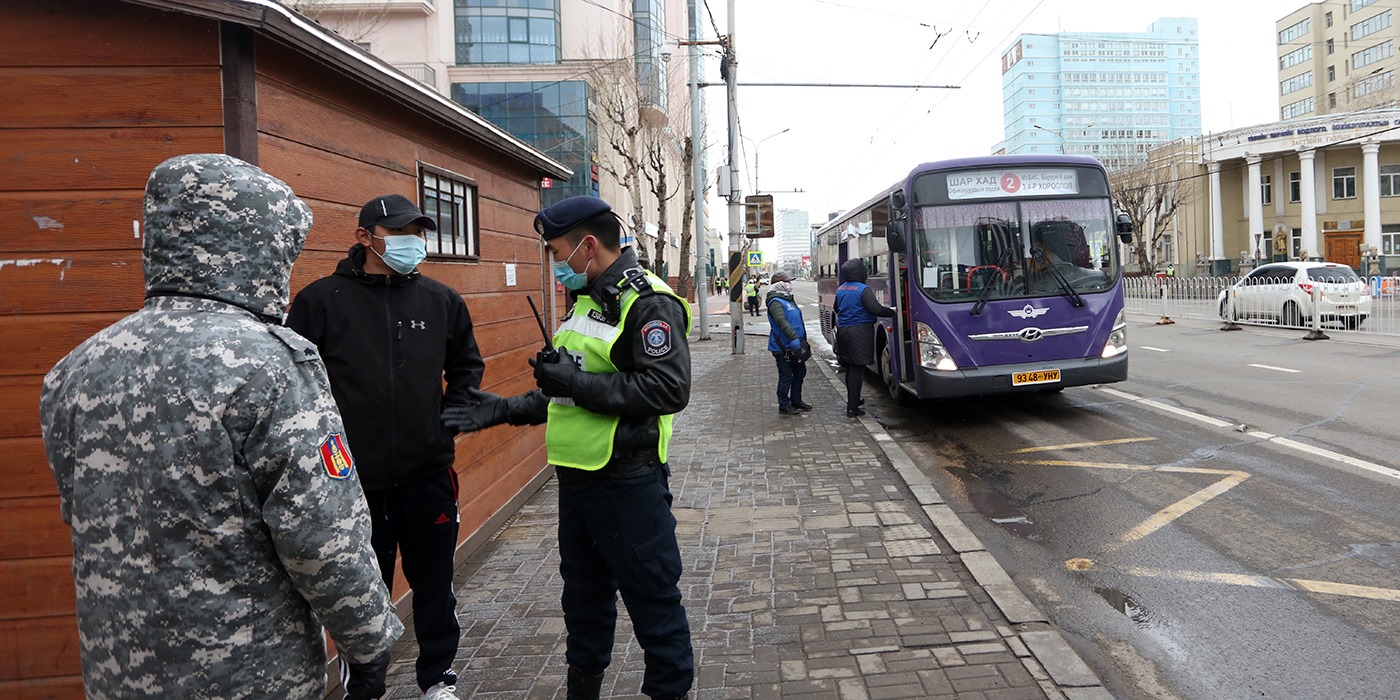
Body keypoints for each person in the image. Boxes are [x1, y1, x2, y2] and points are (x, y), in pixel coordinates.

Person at [38, 154, 402, 699]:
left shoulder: (78, 366)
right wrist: (369, 641)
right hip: (247, 671)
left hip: (118, 670)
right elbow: (322, 535)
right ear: (261, 248)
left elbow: (82, 510)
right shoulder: (270, 365)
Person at [441, 195, 694, 700]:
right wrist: (503, 409)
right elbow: (571, 392)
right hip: (578, 478)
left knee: (652, 598)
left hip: (627, 479)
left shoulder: (646, 302)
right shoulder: (588, 300)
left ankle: (670, 691)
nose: (557, 265)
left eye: (559, 252)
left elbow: (668, 390)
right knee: (583, 597)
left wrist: (574, 383)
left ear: (588, 245)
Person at [287, 193, 483, 700]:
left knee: (435, 585)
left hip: (428, 475)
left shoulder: (441, 301)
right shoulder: (319, 302)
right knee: (360, 593)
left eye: (418, 233)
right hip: (353, 482)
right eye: (398, 233)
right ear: (364, 237)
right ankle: (365, 686)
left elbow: (466, 369)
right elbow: (294, 383)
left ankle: (438, 679)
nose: (411, 242)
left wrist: (448, 424)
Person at [833, 258, 896, 417]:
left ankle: (853, 401)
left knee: (850, 368)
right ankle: (853, 408)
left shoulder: (841, 289)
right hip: (859, 331)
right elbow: (875, 309)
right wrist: (893, 311)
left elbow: (836, 308)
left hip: (843, 331)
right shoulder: (863, 289)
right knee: (857, 369)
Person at [766, 272, 812, 415]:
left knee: (800, 372)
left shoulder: (786, 299)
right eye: (787, 282)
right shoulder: (775, 301)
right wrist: (793, 337)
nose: (790, 284)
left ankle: (796, 400)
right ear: (779, 283)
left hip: (795, 346)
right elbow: (781, 321)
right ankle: (784, 405)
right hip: (783, 347)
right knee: (786, 375)